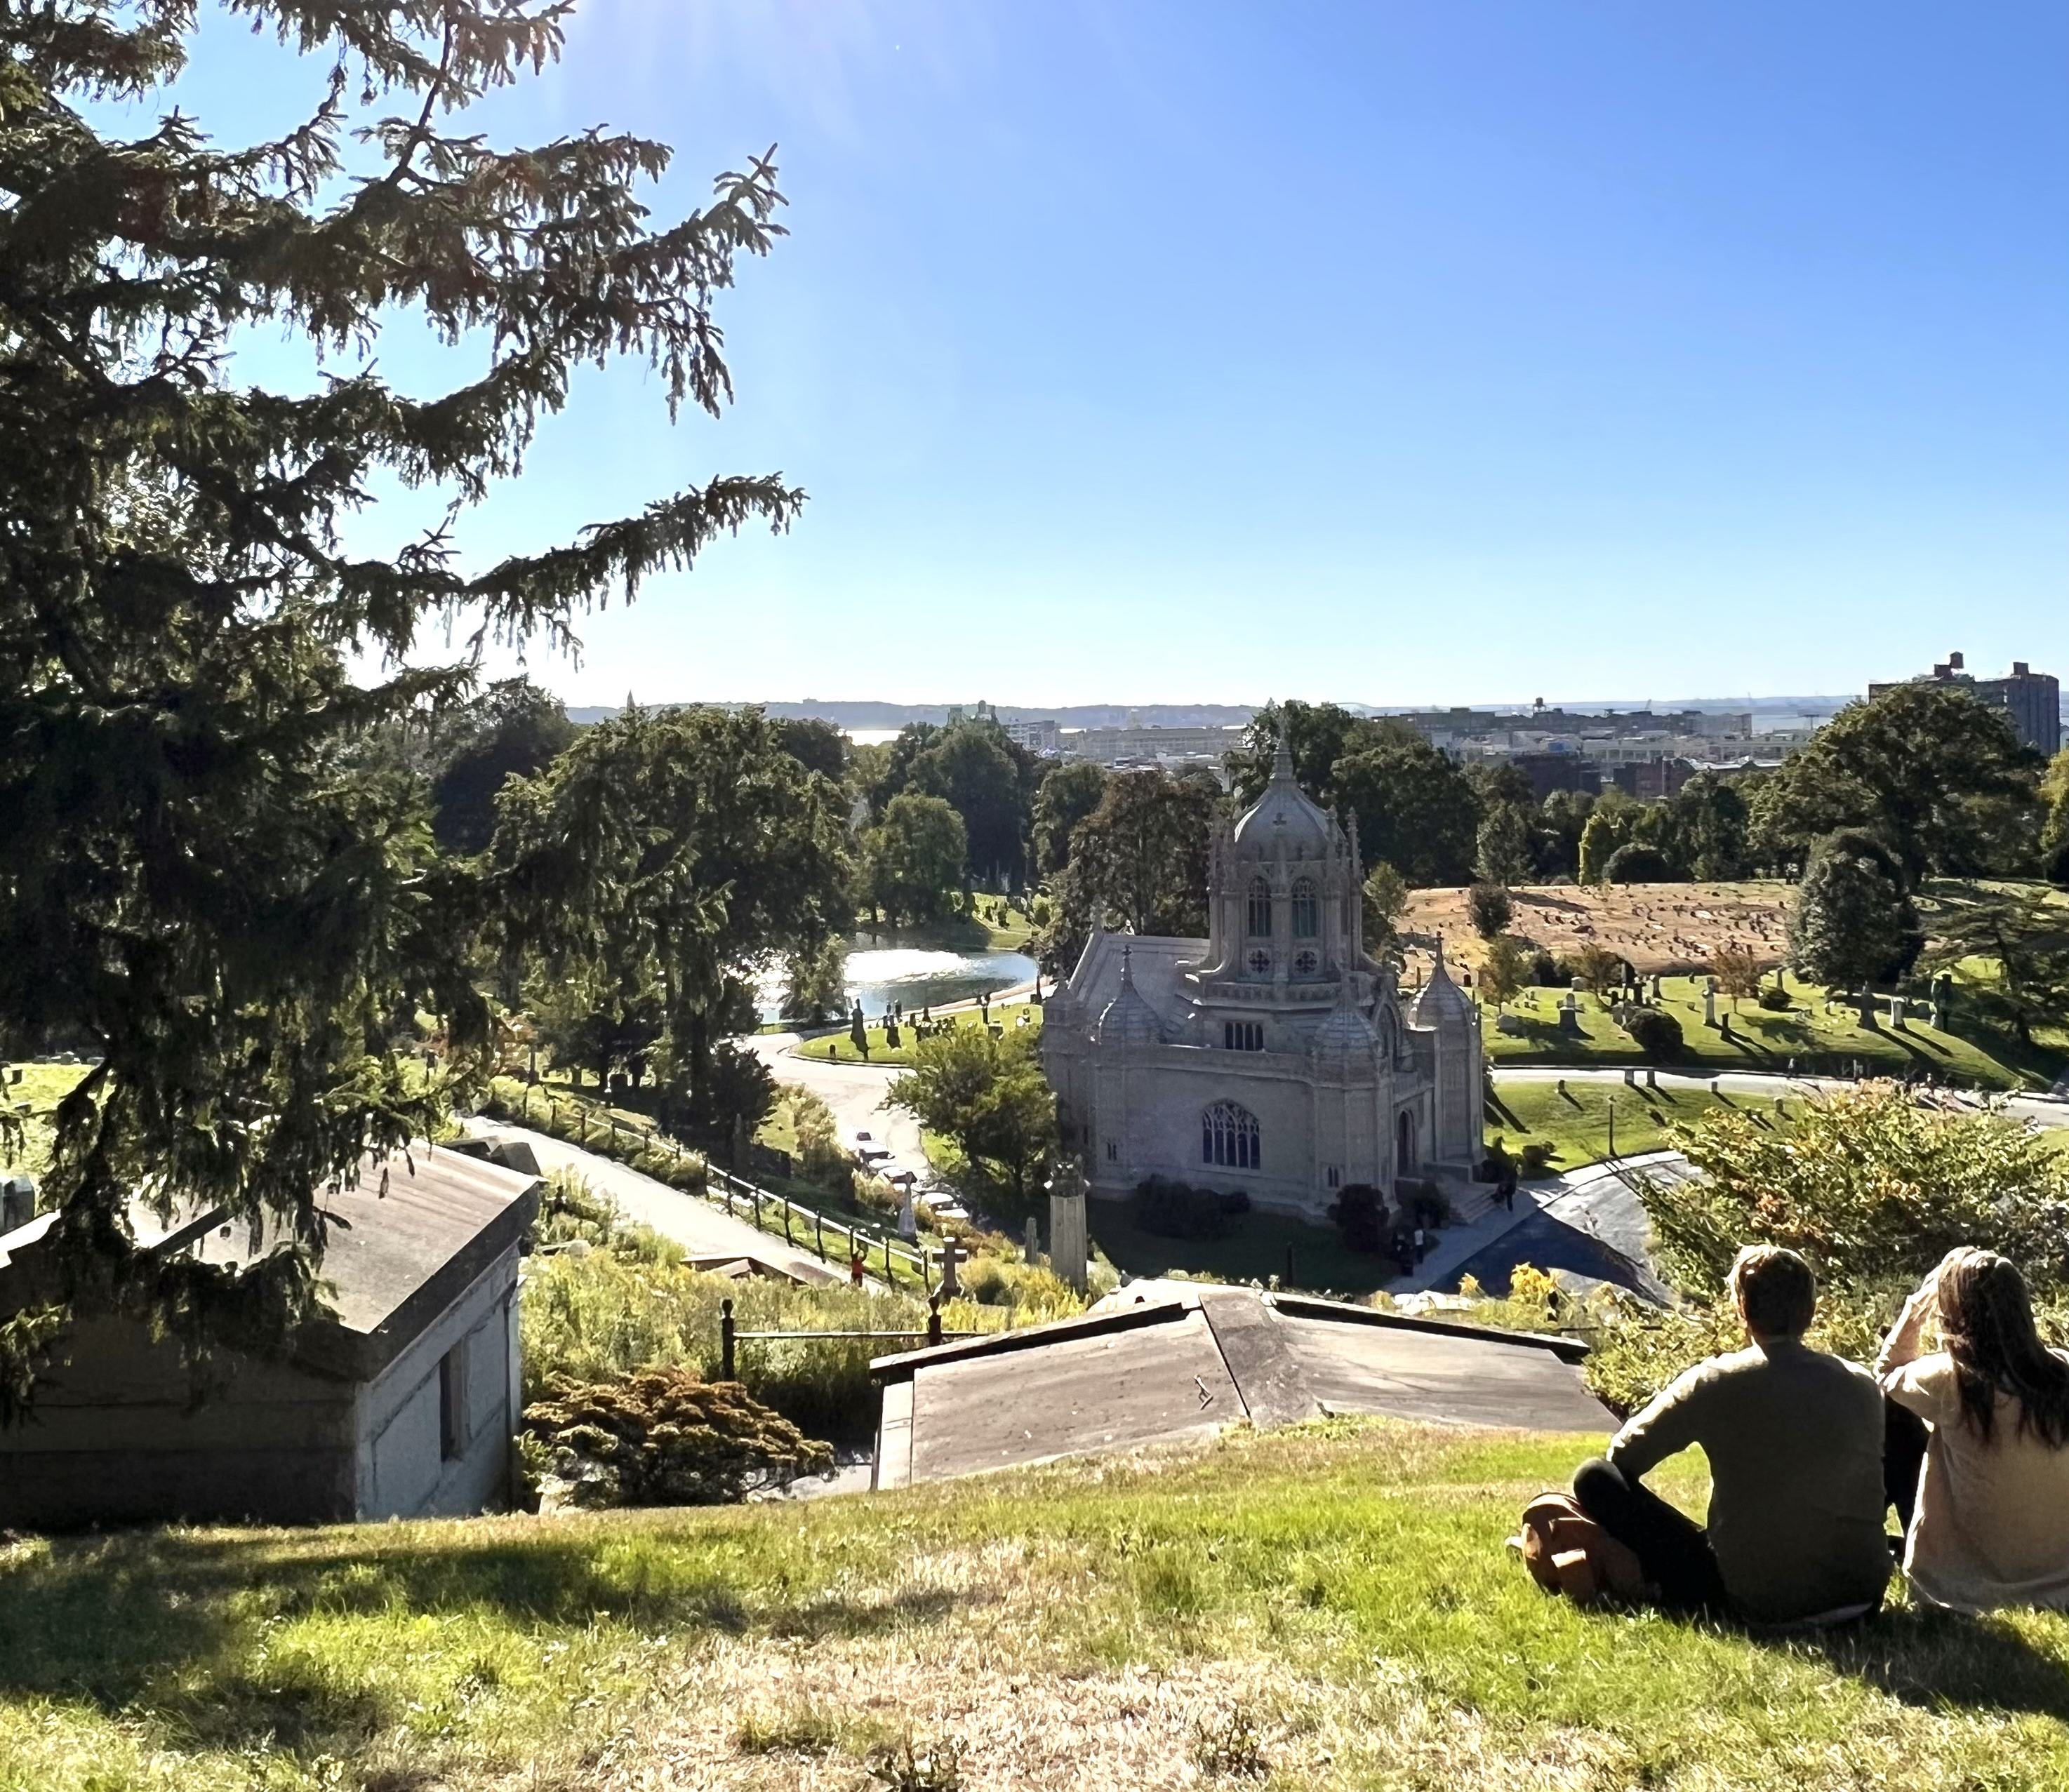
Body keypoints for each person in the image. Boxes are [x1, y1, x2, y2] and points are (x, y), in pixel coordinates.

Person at [1571, 1245, 1890, 1624]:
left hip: (1761, 1600)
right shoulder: (1861, 1383)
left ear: (1742, 1308)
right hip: (1862, 1594)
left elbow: (1624, 1456)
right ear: (1810, 1310)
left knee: (1594, 1477)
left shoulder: (1717, 1381)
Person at [1877, 1248, 2069, 1613]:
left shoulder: (1950, 1381)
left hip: (1968, 1585)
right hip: (2061, 1579)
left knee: (1897, 1420)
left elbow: (1885, 1377)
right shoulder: (2062, 1372)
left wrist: (1917, 1306)